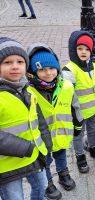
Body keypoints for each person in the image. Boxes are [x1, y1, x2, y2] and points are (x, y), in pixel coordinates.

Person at [27, 43, 84, 199]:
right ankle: (48, 182)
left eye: (51, 68)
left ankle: (63, 173)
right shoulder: (29, 91)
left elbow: (75, 106)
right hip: (40, 136)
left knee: (61, 153)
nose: (48, 73)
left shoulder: (66, 86)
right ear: (33, 71)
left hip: (61, 131)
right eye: (42, 70)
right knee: (45, 160)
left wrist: (78, 123)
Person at [0, 37, 52, 200]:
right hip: (8, 166)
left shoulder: (28, 91)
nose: (15, 66)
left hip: (35, 156)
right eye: (8, 62)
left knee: (41, 188)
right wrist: (25, 148)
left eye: (20, 62)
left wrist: (47, 145)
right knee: (14, 197)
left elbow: (40, 122)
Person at [62, 31, 95, 173]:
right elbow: (68, 94)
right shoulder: (69, 70)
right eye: (80, 48)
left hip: (93, 108)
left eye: (87, 49)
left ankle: (93, 148)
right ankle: (80, 157)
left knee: (92, 130)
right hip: (78, 111)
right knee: (78, 135)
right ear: (73, 49)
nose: (84, 52)